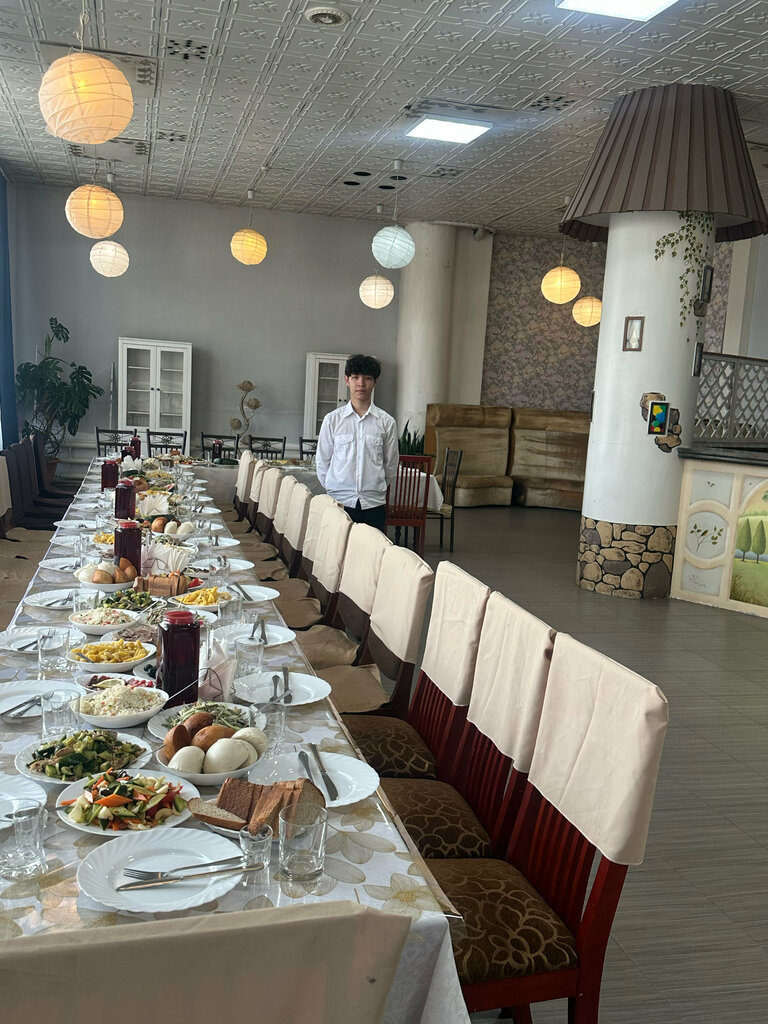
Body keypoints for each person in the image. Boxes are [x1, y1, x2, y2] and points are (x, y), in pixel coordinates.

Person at [315, 354, 399, 532]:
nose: (361, 383)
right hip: (339, 502)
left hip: (373, 504)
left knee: (372, 549)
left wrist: (376, 488)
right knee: (335, 549)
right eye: (355, 377)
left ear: (375, 382)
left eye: (367, 378)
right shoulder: (332, 420)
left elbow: (391, 464)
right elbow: (322, 461)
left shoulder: (386, 422)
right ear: (347, 380)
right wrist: (333, 489)